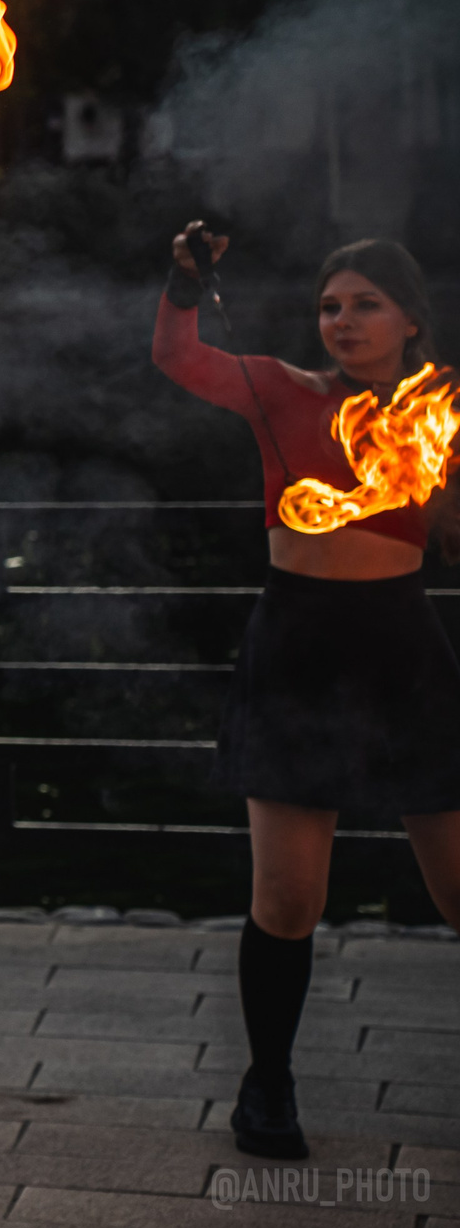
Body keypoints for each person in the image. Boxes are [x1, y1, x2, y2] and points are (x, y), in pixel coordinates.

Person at [156, 224, 460, 1160]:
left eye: (366, 302)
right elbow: (178, 354)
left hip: (402, 646)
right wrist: (183, 280)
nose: (344, 319)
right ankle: (267, 1085)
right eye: (331, 304)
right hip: (295, 647)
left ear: (411, 318)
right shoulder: (280, 389)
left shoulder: (440, 409)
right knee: (288, 896)